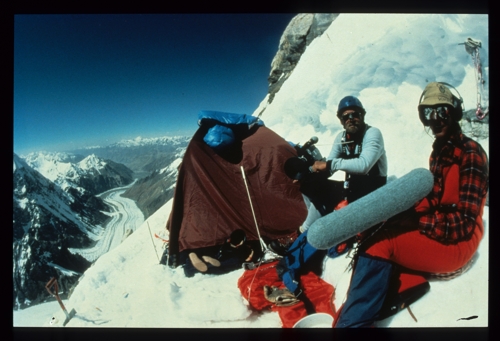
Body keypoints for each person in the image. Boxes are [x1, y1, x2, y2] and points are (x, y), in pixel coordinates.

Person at [334, 82, 489, 328]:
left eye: (442, 111)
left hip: (459, 241)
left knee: (381, 243)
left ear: (455, 112)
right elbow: (435, 197)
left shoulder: (471, 153)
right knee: (382, 227)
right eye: (427, 113)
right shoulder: (439, 151)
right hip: (442, 227)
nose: (435, 120)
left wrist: (418, 220)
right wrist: (404, 211)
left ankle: (352, 326)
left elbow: (465, 223)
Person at [185, 229, 254, 276]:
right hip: (226, 260)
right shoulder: (244, 249)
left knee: (208, 264)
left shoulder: (225, 243)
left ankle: (190, 263)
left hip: (218, 256)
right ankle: (193, 266)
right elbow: (247, 262)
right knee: (221, 266)